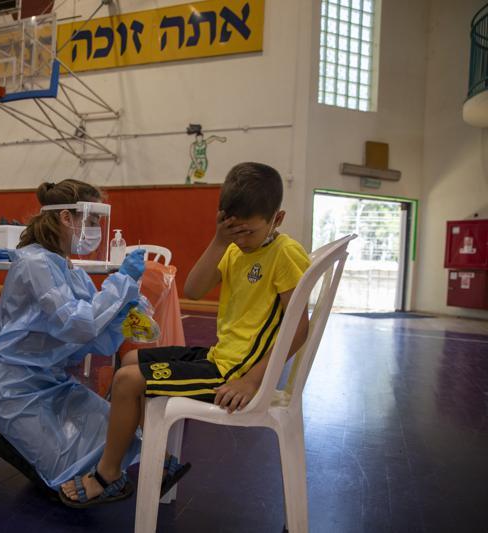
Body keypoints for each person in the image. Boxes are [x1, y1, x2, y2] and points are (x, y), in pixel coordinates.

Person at [59, 162, 312, 506]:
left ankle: (109, 475)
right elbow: (193, 287)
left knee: (126, 382)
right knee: (129, 358)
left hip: (234, 374)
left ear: (277, 220)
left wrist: (253, 380)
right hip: (218, 358)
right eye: (234, 231)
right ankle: (159, 461)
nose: (243, 240)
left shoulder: (285, 253)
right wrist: (221, 241)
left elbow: (299, 327)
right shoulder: (234, 249)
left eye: (249, 232)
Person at [0, 180, 145, 500]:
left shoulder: (72, 270)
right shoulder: (34, 263)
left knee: (121, 439)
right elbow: (76, 325)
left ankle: (10, 436)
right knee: (64, 484)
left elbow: (98, 342)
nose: (96, 229)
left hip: (54, 383)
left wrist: (121, 315)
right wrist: (121, 283)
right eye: (92, 220)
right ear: (67, 218)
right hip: (15, 389)